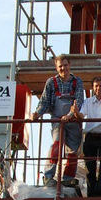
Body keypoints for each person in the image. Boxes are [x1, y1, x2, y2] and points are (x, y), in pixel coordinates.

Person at [31, 54, 84, 187]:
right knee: (56, 144)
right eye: (60, 66)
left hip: (73, 121)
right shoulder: (51, 82)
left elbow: (79, 101)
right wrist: (37, 113)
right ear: (56, 67)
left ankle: (68, 177)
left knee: (73, 150)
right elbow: (45, 101)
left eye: (65, 65)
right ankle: (48, 176)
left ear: (69, 65)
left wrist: (70, 114)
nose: (63, 68)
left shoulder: (77, 82)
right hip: (57, 120)